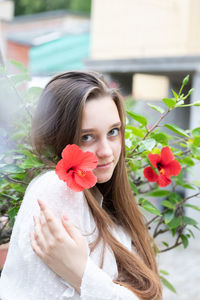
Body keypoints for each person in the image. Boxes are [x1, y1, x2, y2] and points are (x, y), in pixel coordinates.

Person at [0, 71, 162, 299]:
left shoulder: (101, 196)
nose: (106, 152)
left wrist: (80, 273)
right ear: (59, 136)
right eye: (87, 137)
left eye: (113, 132)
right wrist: (83, 276)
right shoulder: (58, 188)